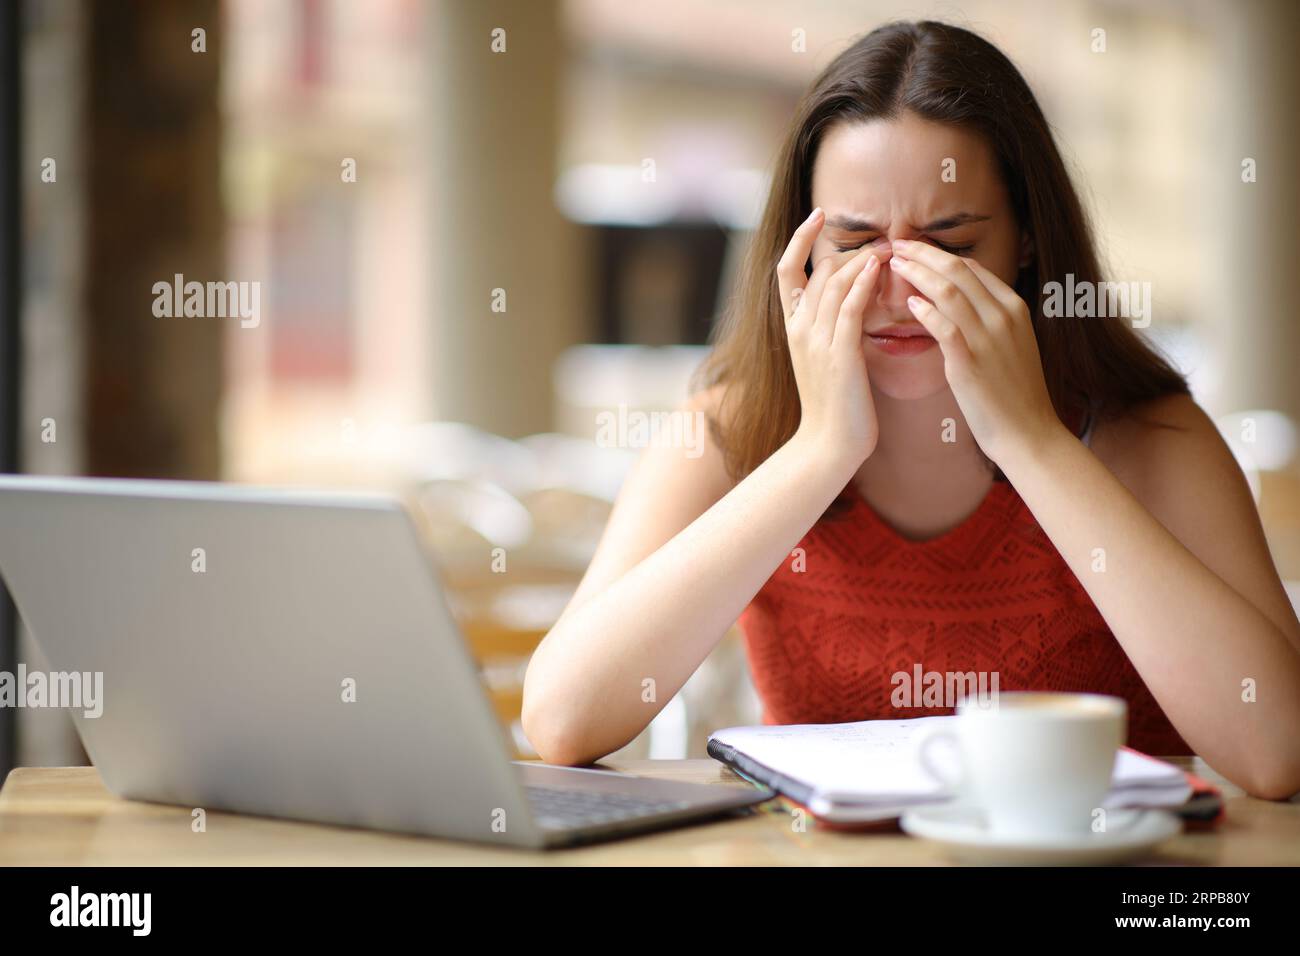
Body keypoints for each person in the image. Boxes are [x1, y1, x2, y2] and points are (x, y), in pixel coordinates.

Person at [522, 20, 1300, 799]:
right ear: (801, 250)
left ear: (1027, 242)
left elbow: (1278, 750)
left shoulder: (1152, 438)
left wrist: (1034, 442)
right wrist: (819, 451)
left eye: (950, 248)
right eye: (856, 245)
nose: (898, 293)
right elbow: (562, 720)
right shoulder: (730, 434)